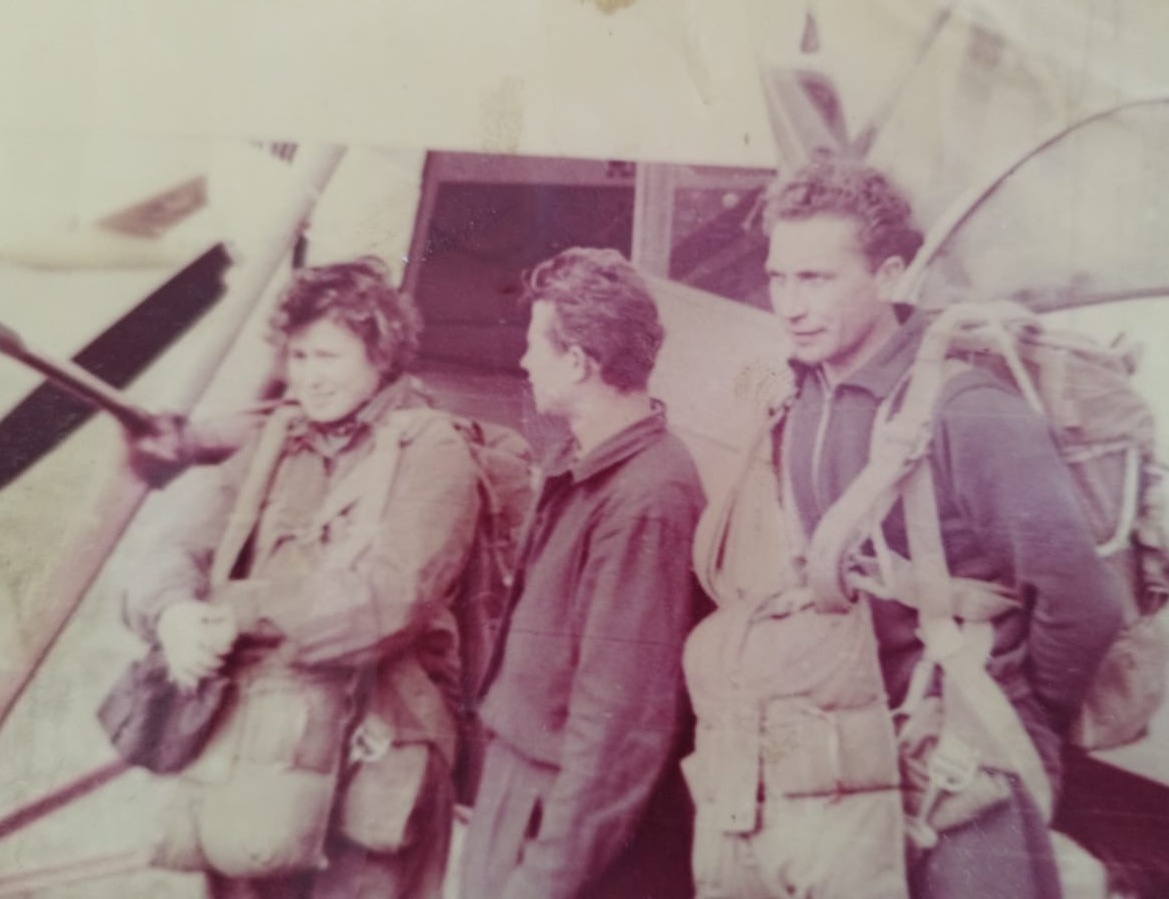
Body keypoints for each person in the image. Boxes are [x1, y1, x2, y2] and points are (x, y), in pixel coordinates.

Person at [760, 160, 1126, 898]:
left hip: (969, 759)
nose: (791, 306)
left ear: (890, 276)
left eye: (817, 279)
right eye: (778, 278)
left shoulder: (970, 412)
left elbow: (1084, 604)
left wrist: (1012, 711)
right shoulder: (803, 399)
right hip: (857, 744)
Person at [121, 257, 481, 899]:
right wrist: (173, 613)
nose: (310, 377)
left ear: (380, 353)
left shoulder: (432, 450)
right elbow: (173, 547)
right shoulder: (275, 443)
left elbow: (384, 603)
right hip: (260, 750)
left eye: (329, 357)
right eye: (299, 356)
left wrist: (238, 613)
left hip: (378, 755)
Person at [457, 247, 707, 899]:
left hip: (562, 829)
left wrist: (542, 881)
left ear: (577, 361)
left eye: (534, 344)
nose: (523, 361)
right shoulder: (586, 464)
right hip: (525, 799)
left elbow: (619, 729)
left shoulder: (648, 498)